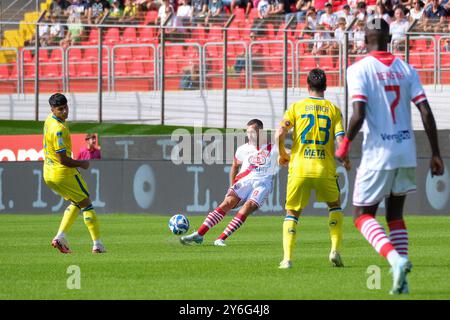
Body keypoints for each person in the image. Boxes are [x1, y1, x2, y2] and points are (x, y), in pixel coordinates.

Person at [335, 18, 444, 294]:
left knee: (361, 214)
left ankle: (396, 261)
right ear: (389, 39)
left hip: (378, 153)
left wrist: (346, 143)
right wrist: (435, 153)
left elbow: (358, 114)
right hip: (406, 151)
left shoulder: (358, 69)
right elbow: (426, 111)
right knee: (395, 215)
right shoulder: (407, 69)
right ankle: (403, 281)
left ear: (363, 40)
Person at [276, 68, 351, 270]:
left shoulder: (296, 107)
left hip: (299, 168)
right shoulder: (334, 110)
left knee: (292, 213)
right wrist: (345, 160)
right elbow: (340, 140)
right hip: (324, 169)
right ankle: (335, 250)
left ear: (307, 85)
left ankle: (287, 259)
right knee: (334, 206)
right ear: (325, 86)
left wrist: (283, 153)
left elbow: (280, 132)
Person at [180, 119, 280, 246]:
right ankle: (199, 234)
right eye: (247, 132)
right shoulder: (242, 149)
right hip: (244, 182)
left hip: (262, 185)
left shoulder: (273, 148)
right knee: (227, 203)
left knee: (247, 207)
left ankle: (221, 238)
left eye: (252, 132)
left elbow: (288, 153)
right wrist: (232, 185)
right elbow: (234, 166)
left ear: (261, 132)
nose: (249, 135)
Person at [43, 93, 106, 254]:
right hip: (62, 172)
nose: (64, 112)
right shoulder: (59, 129)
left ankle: (60, 237)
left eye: (65, 107)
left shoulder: (49, 120)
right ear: (52, 109)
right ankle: (97, 245)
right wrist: (82, 163)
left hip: (48, 173)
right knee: (86, 202)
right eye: (60, 109)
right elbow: (63, 160)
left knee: (77, 202)